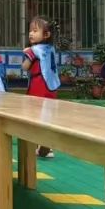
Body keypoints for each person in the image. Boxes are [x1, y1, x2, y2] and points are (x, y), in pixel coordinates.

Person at [22, 15, 60, 158]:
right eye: (30, 30)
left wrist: (26, 56)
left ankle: (38, 143)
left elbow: (25, 67)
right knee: (47, 116)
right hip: (51, 86)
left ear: (46, 34)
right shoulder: (51, 48)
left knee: (34, 114)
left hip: (38, 85)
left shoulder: (34, 50)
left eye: (35, 31)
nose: (31, 33)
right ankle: (47, 146)